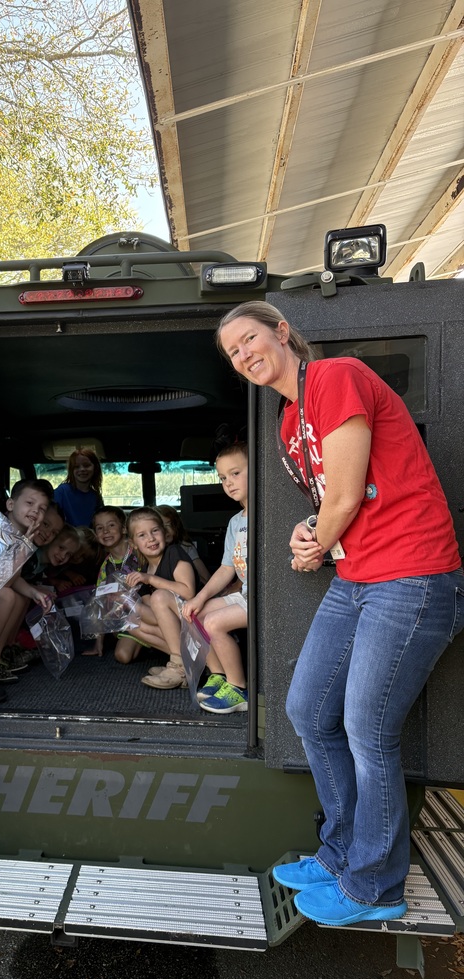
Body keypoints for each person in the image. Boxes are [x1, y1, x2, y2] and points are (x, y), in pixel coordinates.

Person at [216, 299, 463, 926]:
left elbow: (348, 495)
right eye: (233, 353)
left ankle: (375, 886)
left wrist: (314, 544)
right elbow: (334, 500)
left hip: (411, 575)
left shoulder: (336, 377)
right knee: (307, 709)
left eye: (249, 339)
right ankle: (341, 853)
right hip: (357, 578)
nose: (243, 355)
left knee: (367, 729)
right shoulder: (288, 421)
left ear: (281, 331)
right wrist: (312, 530)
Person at [181, 444, 249, 714]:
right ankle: (219, 673)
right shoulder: (235, 522)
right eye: (222, 477)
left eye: (235, 473)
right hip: (244, 596)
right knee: (194, 615)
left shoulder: (267, 517)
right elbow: (226, 569)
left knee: (214, 623)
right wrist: (199, 598)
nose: (228, 483)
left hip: (262, 599)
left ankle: (238, 688)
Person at [0, 479, 54, 682]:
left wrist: (34, 593)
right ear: (11, 504)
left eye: (42, 509)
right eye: (30, 503)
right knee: (8, 596)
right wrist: (24, 545)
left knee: (20, 596)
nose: (35, 511)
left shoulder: (21, 536)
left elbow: (14, 578)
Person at [124, 507, 198, 689]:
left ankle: (178, 666)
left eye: (155, 531)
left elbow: (188, 592)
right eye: (142, 535)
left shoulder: (174, 553)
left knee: (159, 596)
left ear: (165, 533)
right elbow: (155, 618)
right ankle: (190, 664)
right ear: (133, 544)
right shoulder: (143, 572)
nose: (150, 538)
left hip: (198, 622)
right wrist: (129, 602)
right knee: (131, 623)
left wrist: (151, 580)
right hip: (181, 628)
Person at [85, 506, 142, 661]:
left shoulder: (139, 551)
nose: (106, 531)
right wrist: (98, 642)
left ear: (123, 528)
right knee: (122, 655)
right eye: (100, 528)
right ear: (95, 534)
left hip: (148, 611)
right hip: (127, 619)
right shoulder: (105, 567)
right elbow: (99, 603)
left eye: (111, 525)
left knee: (123, 653)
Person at [156, 505, 209, 585]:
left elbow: (206, 578)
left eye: (169, 525)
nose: (165, 530)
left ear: (176, 526)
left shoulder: (185, 547)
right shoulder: (151, 550)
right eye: (160, 527)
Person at [54, 448, 104, 526]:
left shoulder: (96, 497)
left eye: (86, 465)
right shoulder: (62, 491)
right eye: (76, 467)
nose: (82, 469)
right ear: (72, 470)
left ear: (95, 468)